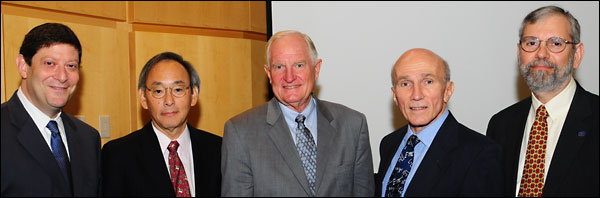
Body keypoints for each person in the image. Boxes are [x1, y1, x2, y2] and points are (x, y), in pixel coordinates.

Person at [221, 30, 374, 196]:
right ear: (269, 74)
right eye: (279, 67)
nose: (289, 77)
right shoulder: (241, 132)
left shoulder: (352, 125)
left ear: (316, 69)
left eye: (299, 65)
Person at [487, 5, 598, 197]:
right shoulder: (500, 125)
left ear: (577, 55)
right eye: (531, 43)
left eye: (555, 43)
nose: (541, 53)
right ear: (519, 53)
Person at [375, 48, 503, 197]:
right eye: (405, 84)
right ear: (395, 95)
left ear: (447, 91)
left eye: (428, 82)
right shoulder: (389, 144)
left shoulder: (480, 154)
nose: (416, 95)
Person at [101, 52, 221, 197]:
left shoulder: (219, 149)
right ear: (143, 98)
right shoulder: (118, 155)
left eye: (178, 90)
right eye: (158, 91)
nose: (169, 100)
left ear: (194, 95)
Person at [1, 23, 101, 196]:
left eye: (71, 66)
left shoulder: (88, 138)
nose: (62, 76)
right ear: (23, 66)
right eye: (50, 63)